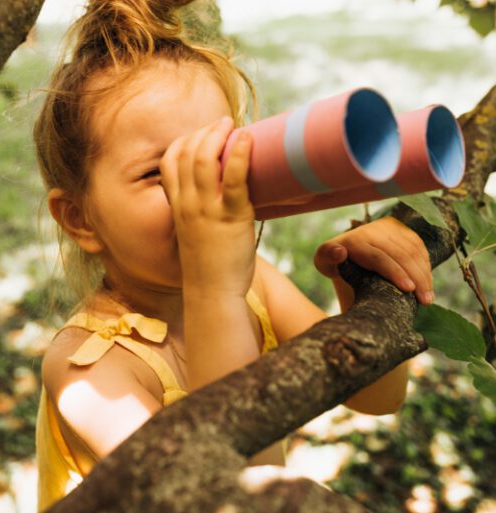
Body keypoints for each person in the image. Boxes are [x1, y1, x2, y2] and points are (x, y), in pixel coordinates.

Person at [33, 0, 435, 509]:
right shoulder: (88, 368)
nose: (208, 185)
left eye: (220, 156)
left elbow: (377, 397)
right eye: (159, 172)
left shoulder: (256, 283)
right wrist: (215, 289)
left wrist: (359, 289)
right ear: (80, 219)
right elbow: (234, 497)